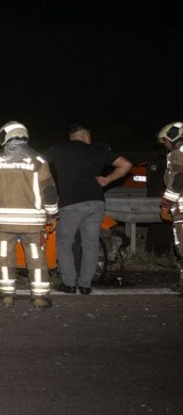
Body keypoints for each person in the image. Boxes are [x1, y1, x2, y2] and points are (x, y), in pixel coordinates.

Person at [0, 121, 59, 309]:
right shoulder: (38, 161)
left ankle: (7, 295)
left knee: (3, 255)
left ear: (5, 136)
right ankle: (40, 297)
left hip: (3, 221)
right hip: (32, 222)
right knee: (35, 256)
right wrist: (52, 215)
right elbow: (49, 191)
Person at [44, 124, 132, 295]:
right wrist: (107, 180)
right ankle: (85, 285)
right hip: (96, 202)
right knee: (90, 244)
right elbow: (126, 164)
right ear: (86, 135)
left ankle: (69, 283)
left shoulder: (58, 149)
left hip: (71, 203)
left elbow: (38, 163)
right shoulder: (98, 151)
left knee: (64, 243)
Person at [156, 122, 183, 293]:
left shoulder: (177, 154)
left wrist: (166, 204)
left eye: (166, 141)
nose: (165, 145)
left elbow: (179, 179)